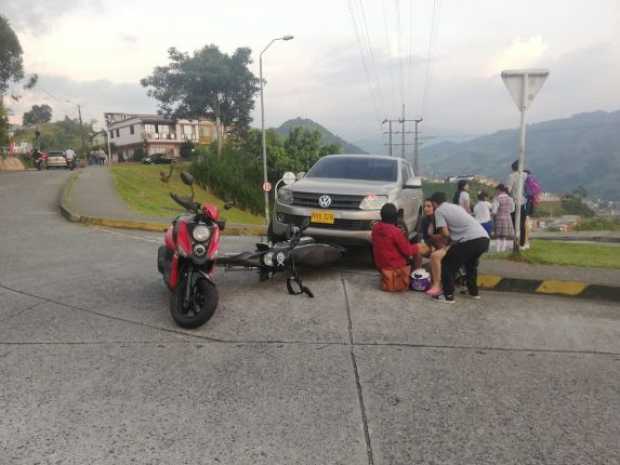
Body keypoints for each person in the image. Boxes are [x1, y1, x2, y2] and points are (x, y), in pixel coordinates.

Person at [430, 191, 490, 303]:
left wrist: (447, 242)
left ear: (434, 203)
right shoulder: (456, 207)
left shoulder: (439, 210)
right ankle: (473, 292)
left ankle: (448, 296)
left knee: (447, 264)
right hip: (484, 238)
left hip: (470, 240)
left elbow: (445, 232)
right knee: (470, 265)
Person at [372, 203, 427, 292]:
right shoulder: (395, 232)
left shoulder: (375, 228)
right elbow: (408, 251)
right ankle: (415, 281)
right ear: (395, 216)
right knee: (418, 252)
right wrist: (418, 246)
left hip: (380, 265)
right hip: (393, 265)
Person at [418, 199, 449, 297]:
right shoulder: (424, 220)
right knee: (416, 249)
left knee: (435, 255)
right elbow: (425, 238)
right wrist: (430, 246)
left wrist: (438, 247)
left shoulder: (440, 218)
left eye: (429, 206)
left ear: (434, 207)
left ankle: (437, 284)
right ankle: (418, 277)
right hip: (432, 245)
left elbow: (446, 237)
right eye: (425, 206)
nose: (426, 208)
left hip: (445, 246)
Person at [506, 160, 529, 248]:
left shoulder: (511, 176)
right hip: (524, 202)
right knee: (522, 223)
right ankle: (522, 243)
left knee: (514, 223)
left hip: (514, 202)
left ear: (513, 168)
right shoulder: (525, 175)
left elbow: (509, 189)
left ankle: (515, 242)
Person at [492, 184, 515, 252]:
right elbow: (512, 209)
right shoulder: (510, 198)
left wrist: (492, 215)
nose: (496, 192)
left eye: (496, 190)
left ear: (499, 190)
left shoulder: (497, 198)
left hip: (499, 217)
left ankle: (498, 250)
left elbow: (494, 210)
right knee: (504, 236)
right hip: (507, 217)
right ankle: (503, 249)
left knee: (498, 235)